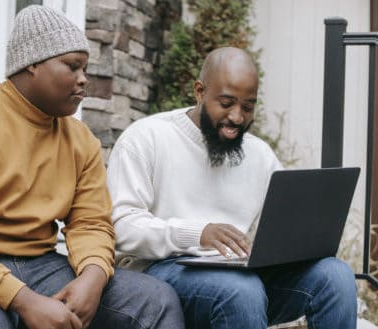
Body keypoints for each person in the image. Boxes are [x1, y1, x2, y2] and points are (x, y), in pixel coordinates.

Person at [0, 5, 184, 329]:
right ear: (32, 64)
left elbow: (91, 222)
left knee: (156, 302)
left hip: (42, 265)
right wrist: (22, 299)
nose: (84, 79)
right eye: (72, 67)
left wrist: (93, 276)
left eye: (85, 68)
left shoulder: (80, 140)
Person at [107, 47, 358, 329]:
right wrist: (198, 233)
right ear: (200, 91)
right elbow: (120, 227)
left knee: (335, 276)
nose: (237, 117)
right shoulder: (146, 138)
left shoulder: (260, 155)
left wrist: (293, 245)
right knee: (240, 289)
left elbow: (283, 227)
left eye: (247, 107)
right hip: (159, 271)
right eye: (226, 103)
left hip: (236, 275)